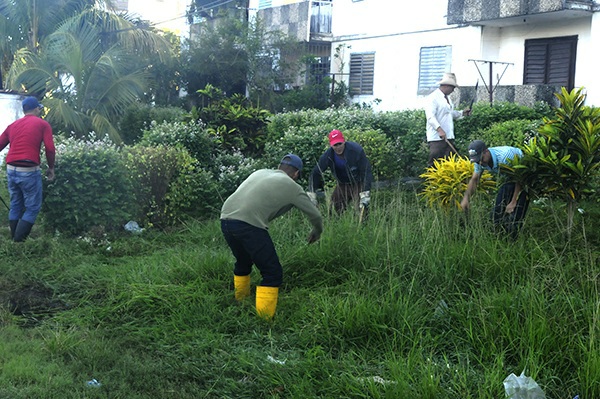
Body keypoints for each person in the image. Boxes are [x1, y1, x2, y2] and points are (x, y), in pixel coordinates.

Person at [220, 154, 323, 320]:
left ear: (280, 166)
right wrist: (317, 232)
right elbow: (316, 216)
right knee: (272, 272)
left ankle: (240, 302)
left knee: (243, 262)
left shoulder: (260, 172)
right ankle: (264, 319)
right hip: (248, 224)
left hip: (225, 219)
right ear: (296, 174)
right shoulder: (292, 186)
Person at [0, 96, 55, 242]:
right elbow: (50, 149)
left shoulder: (13, 125)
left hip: (11, 169)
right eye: (39, 108)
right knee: (32, 208)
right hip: (29, 171)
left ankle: (14, 239)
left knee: (16, 204)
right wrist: (51, 168)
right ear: (36, 109)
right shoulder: (43, 124)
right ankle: (18, 243)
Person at [460, 140, 529, 239]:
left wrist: (513, 201)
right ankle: (499, 237)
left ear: (486, 151)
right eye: (476, 160)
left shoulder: (505, 157)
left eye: (481, 158)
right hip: (510, 178)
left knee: (516, 212)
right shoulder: (479, 161)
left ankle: (514, 240)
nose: (480, 162)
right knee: (497, 213)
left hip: (524, 175)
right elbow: (475, 179)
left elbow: (520, 178)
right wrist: (466, 198)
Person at [308, 129, 373, 215]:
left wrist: (365, 191)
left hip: (358, 183)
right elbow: (316, 172)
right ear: (331, 145)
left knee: (362, 209)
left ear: (344, 141)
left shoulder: (356, 150)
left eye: (340, 144)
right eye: (335, 145)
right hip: (343, 184)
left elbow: (366, 170)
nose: (338, 147)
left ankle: (363, 226)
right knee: (334, 209)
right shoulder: (328, 155)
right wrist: (311, 192)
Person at [425, 72, 471, 167]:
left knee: (448, 164)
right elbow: (430, 117)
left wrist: (462, 113)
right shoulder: (432, 98)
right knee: (435, 164)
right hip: (437, 138)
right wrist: (439, 129)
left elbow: (449, 114)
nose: (453, 90)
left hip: (449, 136)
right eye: (452, 88)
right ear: (446, 86)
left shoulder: (448, 99)